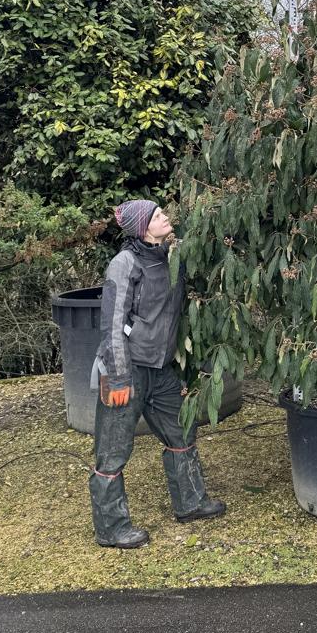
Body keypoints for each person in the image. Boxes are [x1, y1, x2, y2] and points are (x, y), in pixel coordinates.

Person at [88, 198, 225, 549]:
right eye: (158, 215)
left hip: (161, 369)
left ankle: (191, 503)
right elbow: (112, 324)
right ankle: (112, 528)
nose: (166, 217)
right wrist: (117, 378)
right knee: (112, 451)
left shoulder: (170, 257)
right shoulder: (124, 264)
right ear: (143, 227)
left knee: (181, 431)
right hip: (126, 369)